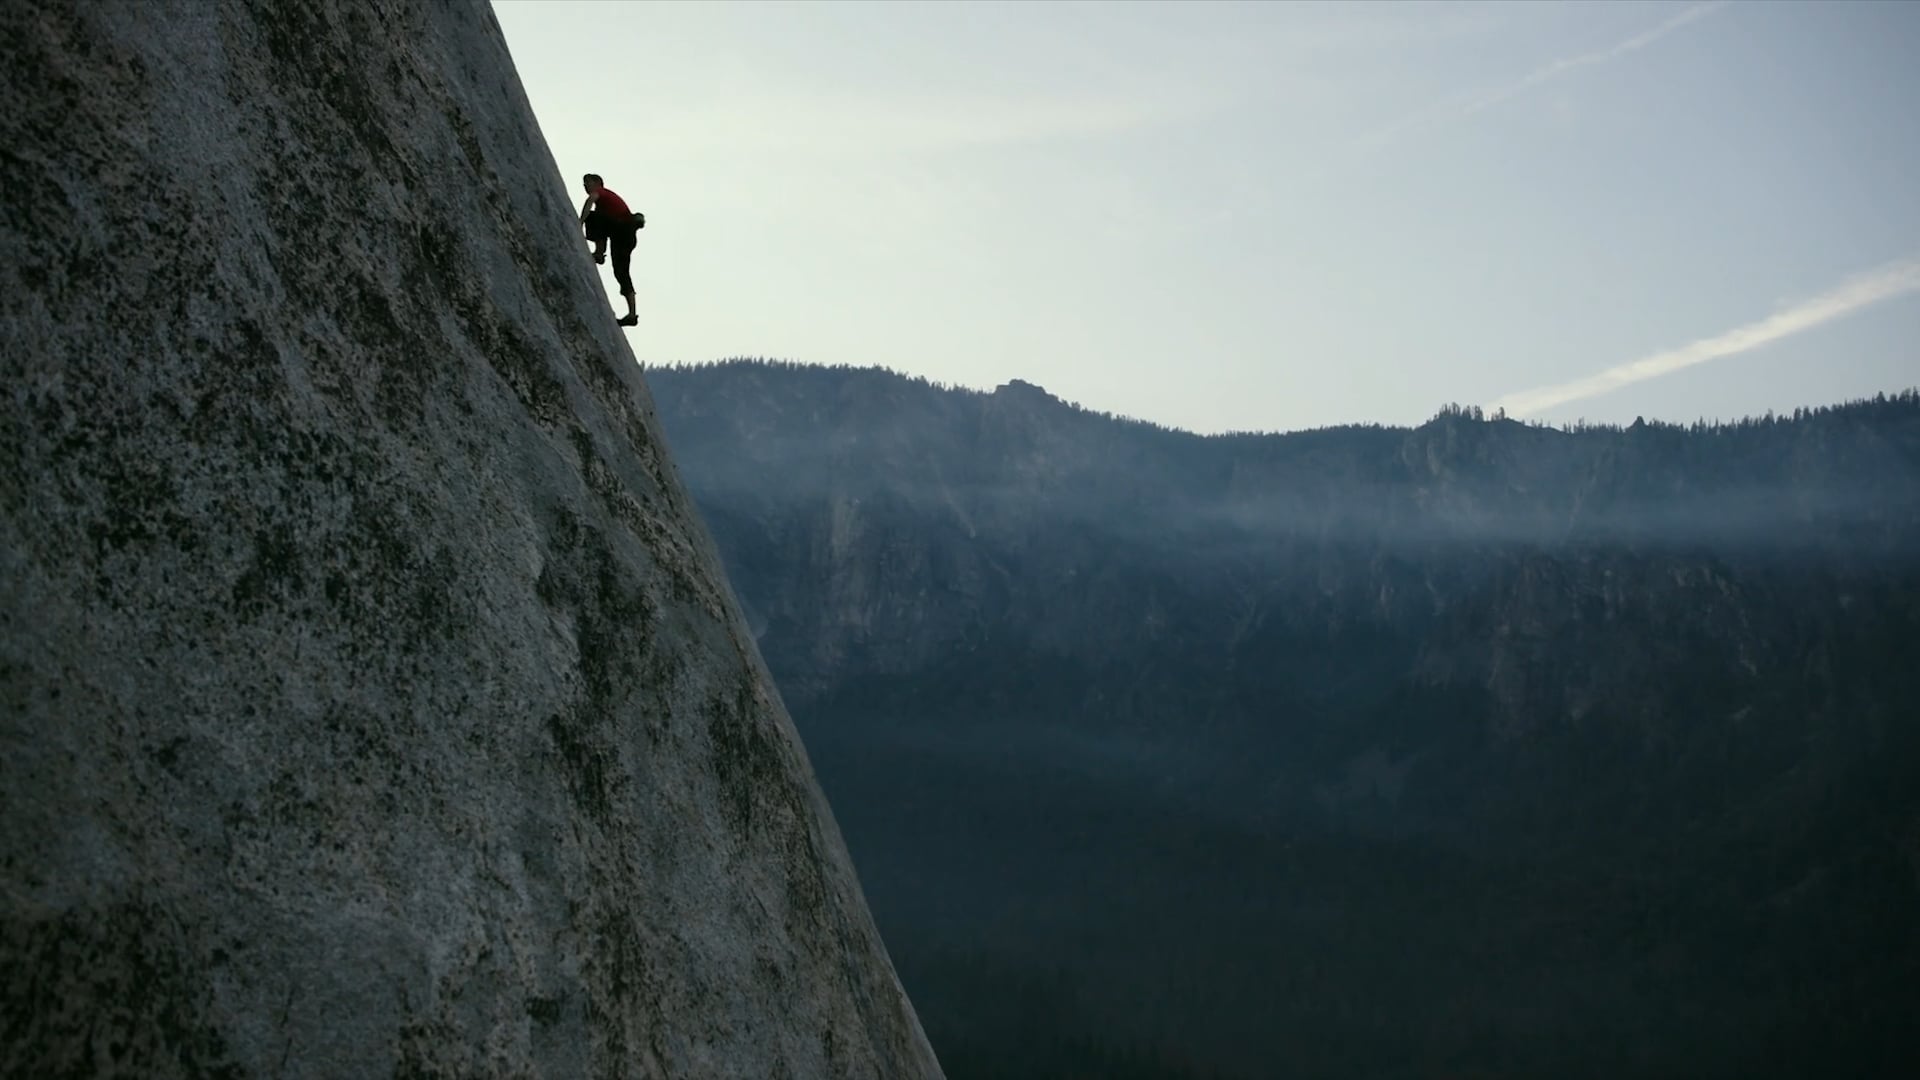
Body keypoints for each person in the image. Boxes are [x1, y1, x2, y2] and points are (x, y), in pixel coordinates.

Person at [578, 173, 641, 327]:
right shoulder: (606, 201)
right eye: (584, 183)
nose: (585, 186)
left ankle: (599, 253)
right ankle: (631, 315)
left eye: (588, 182)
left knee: (593, 218)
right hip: (623, 232)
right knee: (620, 271)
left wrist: (579, 222)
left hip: (623, 230)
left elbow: (589, 201)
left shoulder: (601, 193)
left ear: (598, 183)